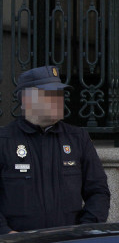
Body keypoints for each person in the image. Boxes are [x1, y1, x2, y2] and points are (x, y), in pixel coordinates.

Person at [0, 66, 110, 234]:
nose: (58, 100)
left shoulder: (77, 138)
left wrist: (85, 229)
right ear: (26, 100)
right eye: (50, 95)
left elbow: (98, 191)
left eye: (59, 94)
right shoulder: (5, 141)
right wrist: (6, 234)